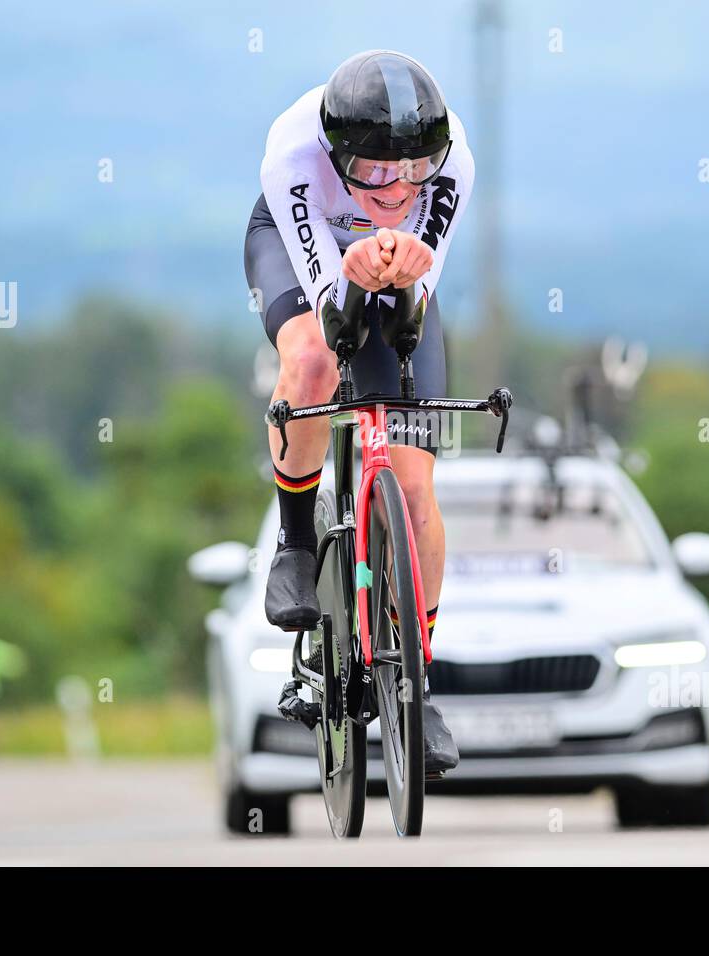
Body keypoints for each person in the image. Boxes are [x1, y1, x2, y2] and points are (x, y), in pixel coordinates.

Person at [244, 50, 473, 773]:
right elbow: (335, 316)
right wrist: (349, 276)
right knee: (314, 358)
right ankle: (296, 544)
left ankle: (418, 679)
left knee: (413, 485)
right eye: (374, 171)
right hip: (301, 251)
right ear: (340, 156)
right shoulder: (293, 154)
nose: (395, 187)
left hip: (393, 271)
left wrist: (401, 274)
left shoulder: (455, 162)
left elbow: (409, 311)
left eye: (413, 171)